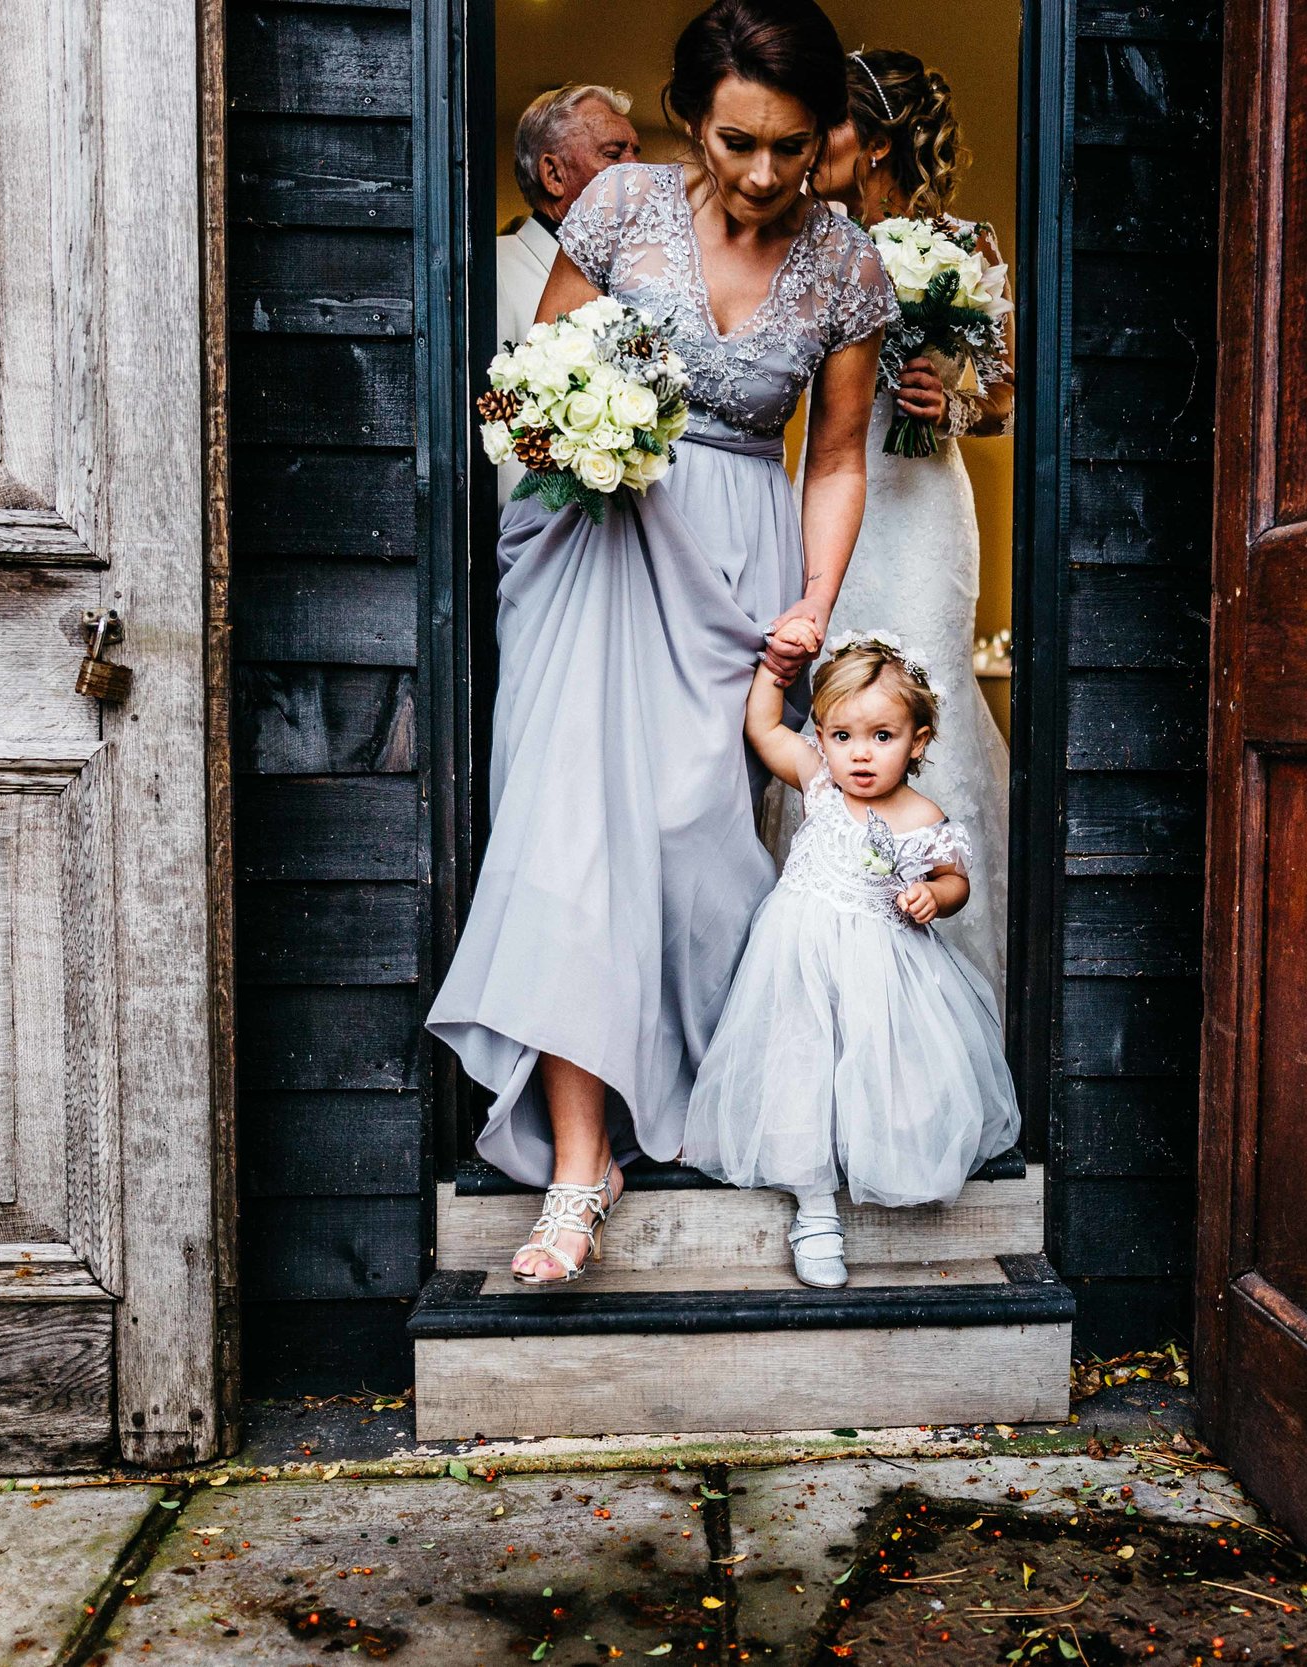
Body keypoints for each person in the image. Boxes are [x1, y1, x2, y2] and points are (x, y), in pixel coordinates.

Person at [426, 0, 899, 1285]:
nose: (762, 174)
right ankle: (579, 1168)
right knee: (571, 832)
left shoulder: (848, 264)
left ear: (823, 141)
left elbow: (840, 454)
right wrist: (573, 428)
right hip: (592, 538)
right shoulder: (622, 206)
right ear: (692, 121)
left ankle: (702, 1097)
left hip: (733, 562)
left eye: (792, 149)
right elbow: (533, 384)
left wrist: (813, 595)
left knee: (696, 850)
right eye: (739, 141)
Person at [681, 635, 1019, 1287]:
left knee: (877, 1066)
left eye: (882, 735)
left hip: (882, 967)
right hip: (798, 958)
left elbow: (956, 881)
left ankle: (882, 1158)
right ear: (824, 737)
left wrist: (933, 895)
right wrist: (774, 672)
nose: (859, 753)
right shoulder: (819, 784)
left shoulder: (923, 816)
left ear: (918, 740)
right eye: (841, 735)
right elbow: (761, 727)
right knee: (801, 1066)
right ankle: (814, 1213)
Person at [799, 48, 1015, 1001]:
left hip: (923, 510)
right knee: (830, 695)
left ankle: (948, 985)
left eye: (826, 125)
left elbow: (1008, 392)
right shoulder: (803, 241)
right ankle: (823, 964)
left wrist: (954, 397)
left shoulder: (969, 244)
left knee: (931, 709)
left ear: (876, 141)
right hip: (828, 499)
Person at [496, 84, 642, 503]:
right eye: (614, 155)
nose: (637, 171)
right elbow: (502, 436)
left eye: (637, 151)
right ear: (553, 175)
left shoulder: (641, 279)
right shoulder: (493, 271)